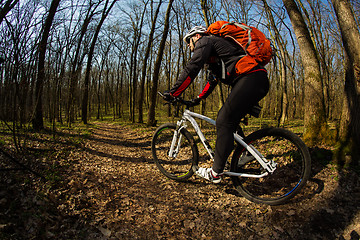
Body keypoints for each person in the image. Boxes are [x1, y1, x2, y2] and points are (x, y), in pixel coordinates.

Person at [162, 25, 270, 183]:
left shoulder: (206, 41)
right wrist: (197, 99)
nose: (188, 45)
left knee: (223, 120)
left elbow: (193, 66)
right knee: (230, 122)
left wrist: (174, 92)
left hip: (251, 78)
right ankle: (246, 154)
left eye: (188, 41)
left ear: (196, 37)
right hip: (256, 80)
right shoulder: (216, 58)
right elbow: (212, 81)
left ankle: (216, 173)